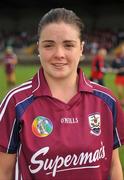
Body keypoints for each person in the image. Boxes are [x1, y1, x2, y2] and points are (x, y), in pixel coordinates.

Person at [0, 8, 124, 180]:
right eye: (49, 45)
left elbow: (113, 166)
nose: (59, 54)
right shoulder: (15, 102)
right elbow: (4, 172)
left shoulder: (106, 101)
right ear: (38, 48)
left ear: (81, 48)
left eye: (68, 45)